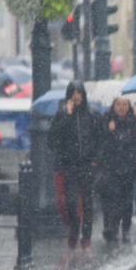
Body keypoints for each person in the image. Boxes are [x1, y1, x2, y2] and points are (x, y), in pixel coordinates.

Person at [49, 81, 102, 248]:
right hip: (69, 165)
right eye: (73, 93)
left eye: (79, 93)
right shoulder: (62, 114)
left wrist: (95, 159)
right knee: (70, 201)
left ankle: (86, 236)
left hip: (87, 165)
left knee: (87, 201)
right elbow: (53, 140)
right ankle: (74, 228)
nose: (76, 96)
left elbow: (101, 138)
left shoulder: (92, 114)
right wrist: (66, 116)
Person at [100, 97, 136, 243]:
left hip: (128, 169)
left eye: (124, 105)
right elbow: (103, 144)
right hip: (111, 168)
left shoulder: (133, 122)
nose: (121, 108)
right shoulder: (107, 120)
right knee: (112, 199)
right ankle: (112, 227)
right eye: (118, 104)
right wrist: (109, 131)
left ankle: (126, 228)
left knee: (126, 201)